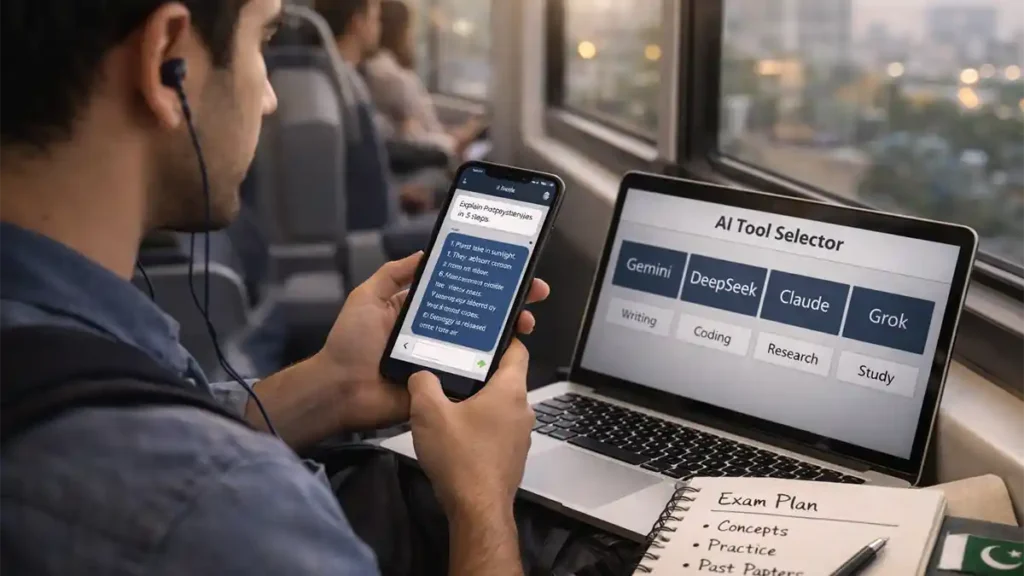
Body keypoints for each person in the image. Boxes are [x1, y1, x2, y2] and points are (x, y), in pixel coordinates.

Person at [0, 1, 551, 574]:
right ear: (168, 59)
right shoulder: (223, 515)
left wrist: (333, 386)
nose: (269, 98)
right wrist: (482, 503)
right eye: (260, 43)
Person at [363, 0, 484, 161]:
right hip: (432, 154)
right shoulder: (390, 77)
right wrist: (458, 140)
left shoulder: (383, 70)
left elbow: (421, 125)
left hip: (434, 142)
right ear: (400, 31)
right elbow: (414, 138)